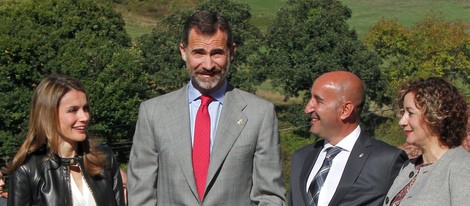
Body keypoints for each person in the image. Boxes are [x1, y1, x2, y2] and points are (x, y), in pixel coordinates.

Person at [127, 10, 286, 206]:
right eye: (199, 53)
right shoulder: (153, 113)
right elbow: (141, 196)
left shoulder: (260, 114)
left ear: (232, 52)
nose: (208, 64)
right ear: (183, 51)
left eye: (217, 53)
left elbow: (270, 197)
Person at [289, 71, 407, 206]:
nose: (307, 108)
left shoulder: (386, 161)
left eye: (318, 101)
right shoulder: (301, 157)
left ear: (345, 110)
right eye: (310, 99)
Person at [5, 74, 125, 206]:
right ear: (48, 115)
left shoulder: (104, 158)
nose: (84, 117)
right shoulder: (27, 169)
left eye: (85, 108)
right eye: (72, 110)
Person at [383, 77, 470, 206]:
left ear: (435, 115)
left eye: (410, 113)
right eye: (403, 113)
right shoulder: (408, 167)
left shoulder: (461, 167)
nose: (402, 122)